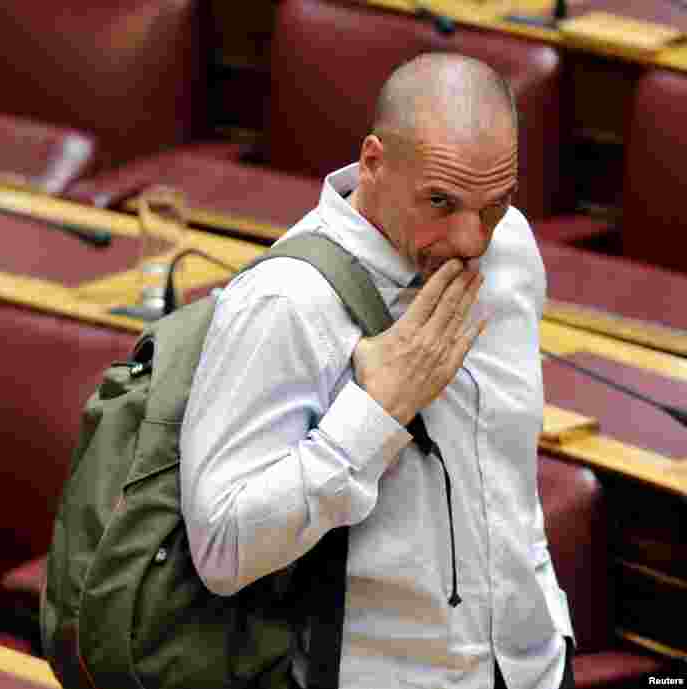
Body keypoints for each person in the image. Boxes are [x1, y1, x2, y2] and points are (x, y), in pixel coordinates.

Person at [180, 53, 575, 689]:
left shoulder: (511, 251)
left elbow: (507, 476)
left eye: (495, 204)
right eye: (440, 202)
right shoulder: (287, 301)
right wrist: (376, 417)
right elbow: (222, 548)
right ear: (372, 163)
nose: (472, 239)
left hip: (536, 667)